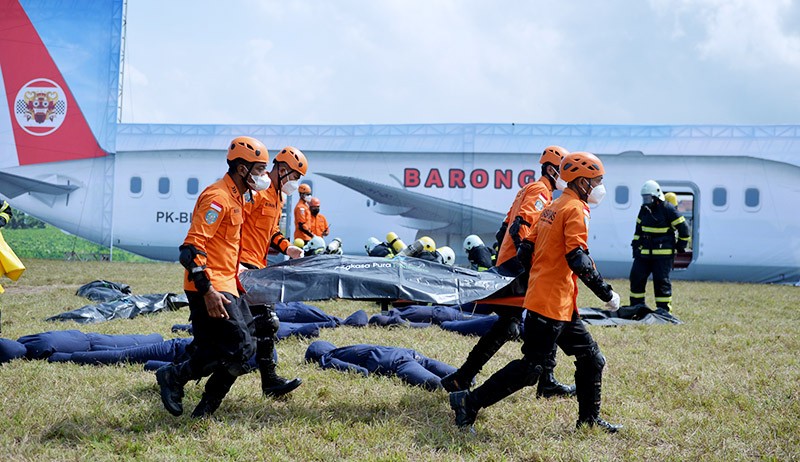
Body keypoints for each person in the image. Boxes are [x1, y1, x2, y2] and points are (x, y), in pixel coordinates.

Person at [450, 151, 623, 433]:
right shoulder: (576, 209)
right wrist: (606, 294)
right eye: (597, 180)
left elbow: (526, 248)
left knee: (592, 359)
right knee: (531, 369)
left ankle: (589, 420)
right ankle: (468, 402)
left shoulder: (553, 206)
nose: (600, 187)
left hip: (558, 303)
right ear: (581, 182)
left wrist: (542, 275)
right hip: (550, 304)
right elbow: (578, 259)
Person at [442, 146, 574, 399]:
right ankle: (543, 381)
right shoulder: (540, 191)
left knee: (508, 325)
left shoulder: (529, 189)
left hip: (512, 264)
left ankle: (463, 377)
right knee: (547, 319)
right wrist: (527, 262)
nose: (566, 177)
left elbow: (504, 228)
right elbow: (520, 227)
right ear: (550, 169)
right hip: (520, 267)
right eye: (563, 171)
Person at [156, 136, 264, 419]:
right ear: (242, 169)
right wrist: (208, 291)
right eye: (260, 169)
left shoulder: (239, 198)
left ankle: (202, 407)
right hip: (210, 287)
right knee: (239, 349)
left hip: (229, 284)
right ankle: (177, 379)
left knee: (243, 345)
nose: (263, 176)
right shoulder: (218, 198)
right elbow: (190, 250)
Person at [239, 146, 308, 400]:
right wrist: (235, 261)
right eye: (294, 177)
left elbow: (272, 233)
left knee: (265, 324)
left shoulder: (279, 198)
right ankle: (269, 380)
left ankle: (269, 380)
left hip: (258, 265)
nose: (295, 183)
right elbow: (235, 224)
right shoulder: (256, 193)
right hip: (242, 266)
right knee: (263, 323)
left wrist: (287, 247)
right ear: (282, 169)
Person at [629, 180, 691, 313]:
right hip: (644, 254)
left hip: (663, 256)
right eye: (644, 198)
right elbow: (638, 230)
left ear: (657, 196)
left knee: (661, 282)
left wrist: (681, 246)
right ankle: (636, 307)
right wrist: (635, 247)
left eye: (648, 198)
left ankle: (663, 311)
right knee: (636, 278)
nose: (646, 200)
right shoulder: (644, 209)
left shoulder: (667, 208)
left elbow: (684, 228)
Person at [305, 340, 457, 391]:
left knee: (435, 384)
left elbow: (360, 372)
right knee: (429, 364)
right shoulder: (344, 349)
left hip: (394, 361)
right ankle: (466, 377)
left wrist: (368, 374)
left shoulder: (327, 357)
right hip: (404, 352)